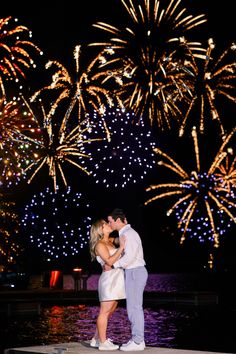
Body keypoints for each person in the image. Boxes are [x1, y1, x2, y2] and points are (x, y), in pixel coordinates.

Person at [107, 208, 148, 352]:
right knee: (133, 307)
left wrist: (113, 265)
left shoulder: (129, 234)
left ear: (118, 220)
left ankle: (138, 341)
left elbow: (130, 258)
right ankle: (137, 339)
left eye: (110, 221)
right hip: (133, 272)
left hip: (135, 272)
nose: (109, 224)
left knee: (134, 307)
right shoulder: (125, 234)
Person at [89, 218, 126, 351]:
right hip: (109, 280)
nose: (108, 224)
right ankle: (103, 343)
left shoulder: (109, 241)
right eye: (105, 224)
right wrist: (121, 247)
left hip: (117, 279)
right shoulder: (99, 245)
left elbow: (120, 238)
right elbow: (109, 261)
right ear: (100, 229)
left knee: (110, 312)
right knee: (104, 312)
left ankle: (96, 339)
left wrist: (121, 228)